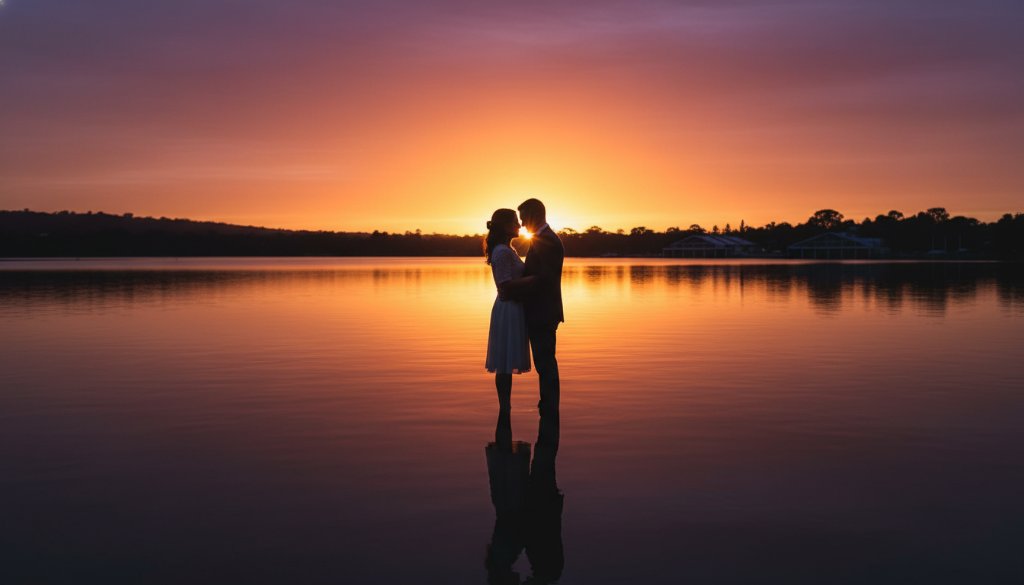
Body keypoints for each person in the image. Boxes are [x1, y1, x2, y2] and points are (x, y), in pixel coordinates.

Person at [500, 198, 564, 416]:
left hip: (544, 312)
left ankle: (550, 407)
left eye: (524, 218)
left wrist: (509, 288)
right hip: (538, 310)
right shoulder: (541, 239)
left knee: (545, 362)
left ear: (535, 215)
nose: (523, 224)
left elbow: (542, 278)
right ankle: (547, 407)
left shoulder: (549, 241)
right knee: (543, 362)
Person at [484, 209, 532, 410]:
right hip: (508, 309)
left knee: (505, 362)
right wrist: (537, 280)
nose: (520, 226)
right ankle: (504, 407)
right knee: (503, 362)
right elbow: (505, 286)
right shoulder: (502, 252)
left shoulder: (506, 249)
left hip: (511, 307)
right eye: (515, 222)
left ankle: (505, 407)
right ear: (505, 226)